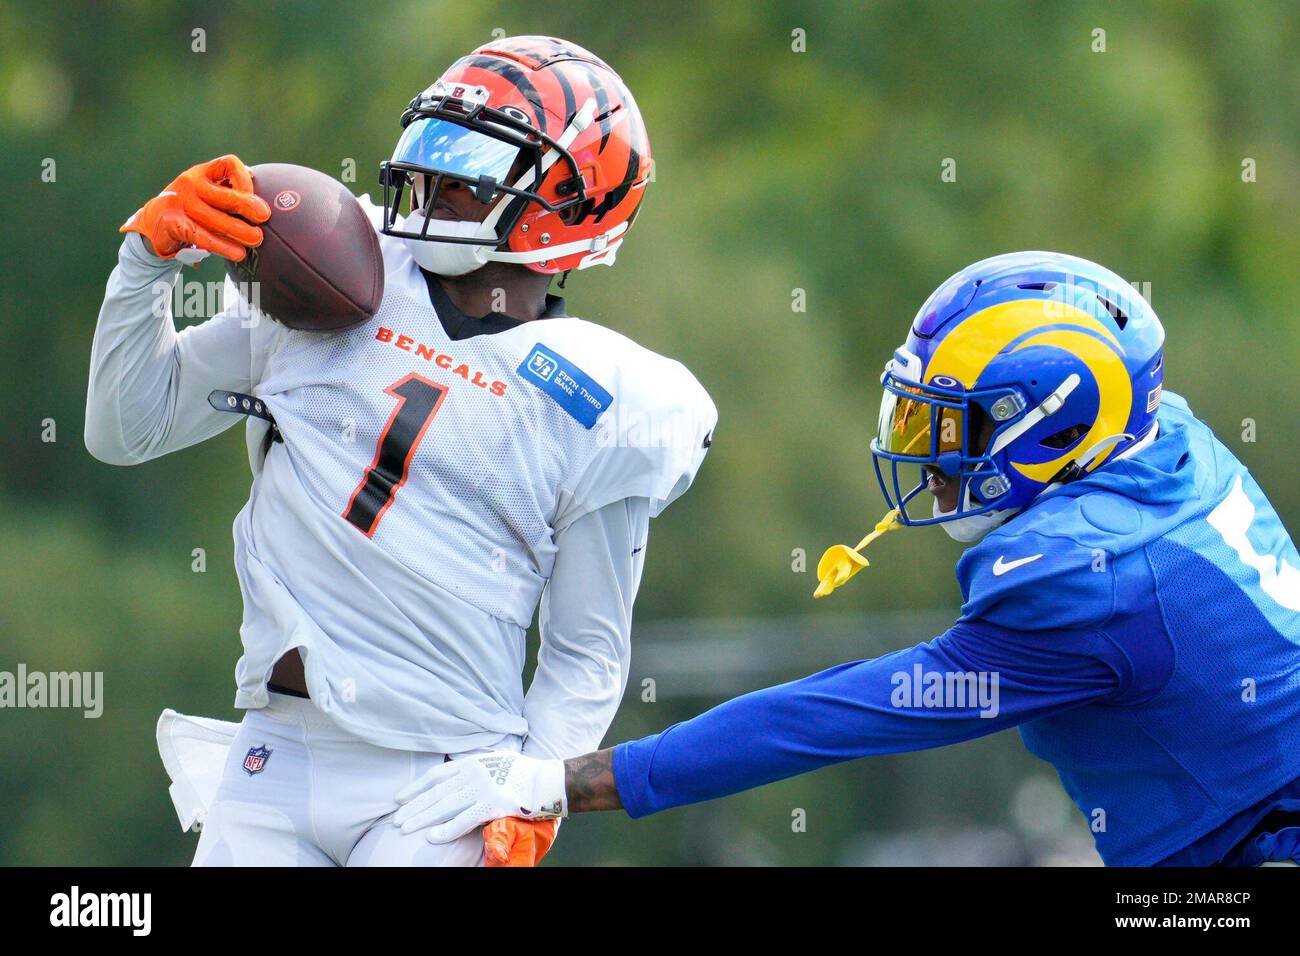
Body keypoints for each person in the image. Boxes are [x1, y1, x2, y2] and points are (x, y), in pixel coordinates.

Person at [394, 251, 1300, 867]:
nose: (929, 456)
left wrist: (575, 781)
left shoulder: (1089, 583)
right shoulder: (1155, 441)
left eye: (951, 426)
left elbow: (841, 713)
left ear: (1057, 423)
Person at [85, 35, 715, 867]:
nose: (436, 185)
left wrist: (534, 791)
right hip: (275, 753)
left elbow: (586, 649)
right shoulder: (334, 271)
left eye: (471, 169)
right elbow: (126, 428)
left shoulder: (604, 395)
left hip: (448, 779)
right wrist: (147, 262)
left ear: (570, 201)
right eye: (436, 152)